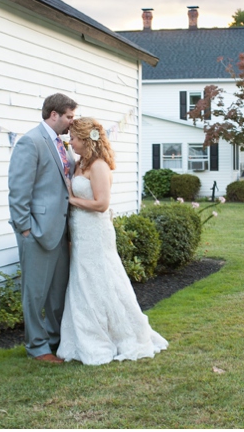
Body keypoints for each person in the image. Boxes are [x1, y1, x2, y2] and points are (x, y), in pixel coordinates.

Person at [57, 117, 168, 365]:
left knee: (103, 281)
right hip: (79, 231)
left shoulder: (98, 166)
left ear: (86, 139)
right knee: (83, 283)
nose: (70, 142)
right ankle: (86, 335)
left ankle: (122, 334)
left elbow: (101, 204)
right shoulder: (79, 163)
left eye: (73, 138)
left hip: (96, 232)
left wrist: (71, 200)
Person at [7, 93, 77, 363]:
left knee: (58, 294)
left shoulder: (63, 145)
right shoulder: (31, 142)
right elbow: (18, 190)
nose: (72, 122)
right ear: (54, 114)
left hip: (61, 231)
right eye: (69, 116)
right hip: (36, 233)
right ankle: (37, 348)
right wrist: (25, 229)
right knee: (35, 294)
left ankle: (56, 342)